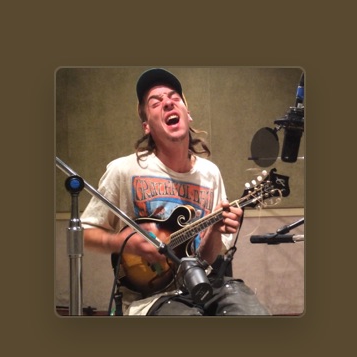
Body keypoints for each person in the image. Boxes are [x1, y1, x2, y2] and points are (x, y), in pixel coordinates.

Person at [80, 68, 270, 316]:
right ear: (146, 126)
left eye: (174, 98)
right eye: (155, 102)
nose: (168, 102)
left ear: (187, 114)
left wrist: (215, 229)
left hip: (203, 284)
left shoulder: (209, 173)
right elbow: (83, 233)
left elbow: (206, 258)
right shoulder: (123, 170)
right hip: (149, 299)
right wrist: (124, 243)